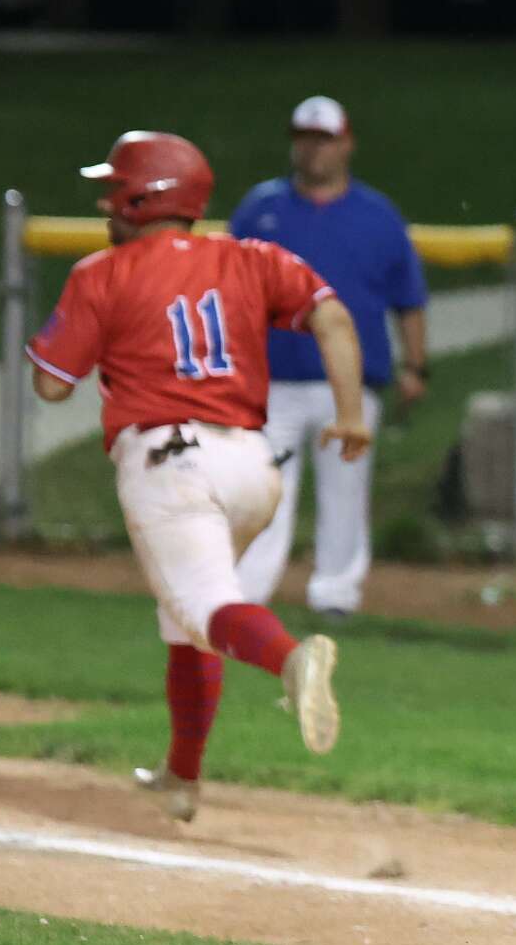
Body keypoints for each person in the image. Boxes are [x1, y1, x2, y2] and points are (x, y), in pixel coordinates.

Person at [25, 130, 367, 823]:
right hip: (251, 466)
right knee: (185, 623)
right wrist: (352, 414)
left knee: (206, 608)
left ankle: (291, 659)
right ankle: (181, 778)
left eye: (115, 190)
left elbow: (52, 385)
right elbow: (332, 316)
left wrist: (82, 334)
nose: (106, 203)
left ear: (142, 199)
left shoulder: (102, 272)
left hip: (171, 468)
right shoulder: (251, 256)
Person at [233, 96, 428, 618]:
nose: (312, 149)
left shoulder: (378, 215)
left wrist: (416, 364)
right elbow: (228, 291)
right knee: (263, 489)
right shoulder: (260, 208)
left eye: (323, 139)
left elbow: (409, 297)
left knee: (345, 493)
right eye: (304, 138)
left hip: (350, 385)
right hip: (271, 380)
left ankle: (336, 594)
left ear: (346, 144)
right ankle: (246, 596)